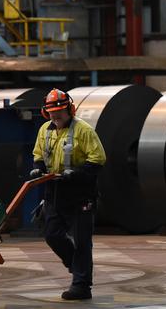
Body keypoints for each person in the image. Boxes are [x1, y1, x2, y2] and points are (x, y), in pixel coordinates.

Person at [30, 88, 106, 300]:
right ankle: (77, 266)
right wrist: (37, 167)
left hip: (80, 194)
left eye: (60, 112)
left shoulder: (84, 130)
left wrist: (78, 174)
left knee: (82, 241)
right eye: (51, 112)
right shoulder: (45, 130)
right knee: (52, 234)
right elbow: (38, 153)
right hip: (54, 193)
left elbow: (98, 159)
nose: (55, 116)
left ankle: (82, 286)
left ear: (70, 110)